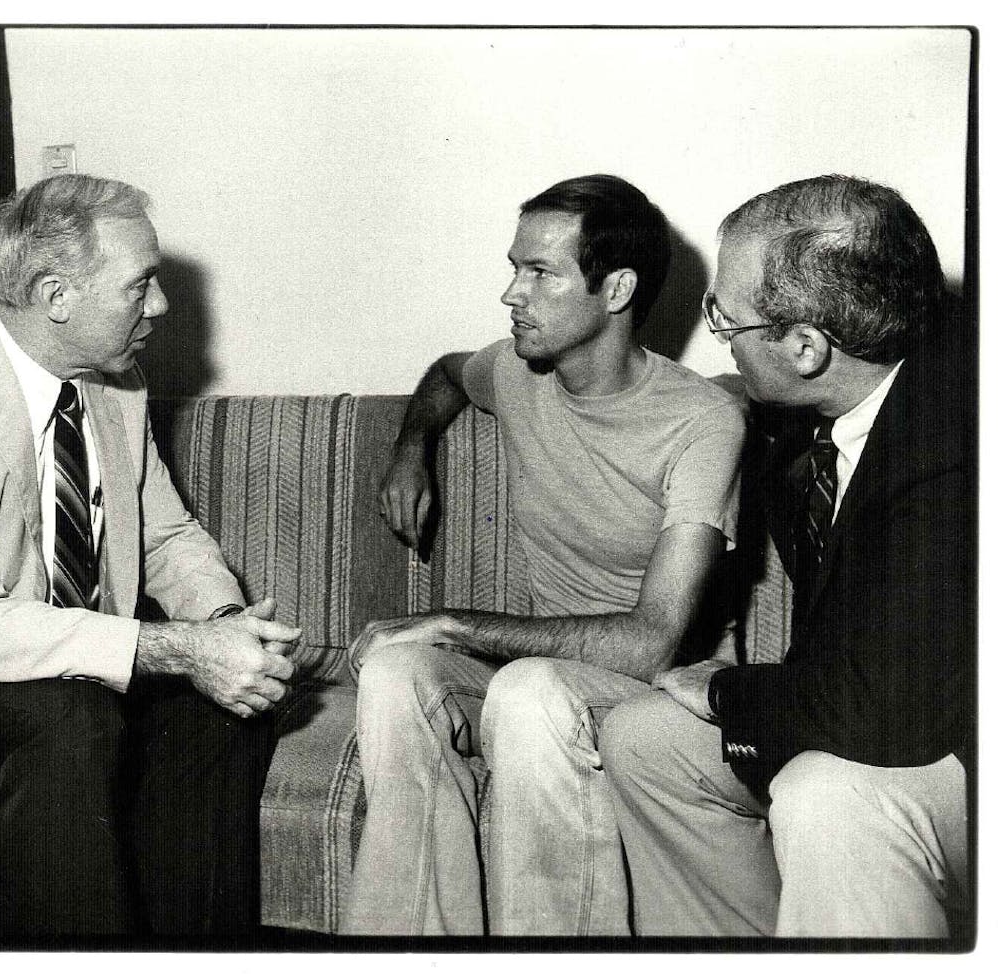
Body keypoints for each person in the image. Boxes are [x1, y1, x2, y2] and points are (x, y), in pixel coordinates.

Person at [0, 174, 301, 937]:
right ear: (56, 295)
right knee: (71, 718)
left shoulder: (115, 385)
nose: (162, 306)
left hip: (74, 671)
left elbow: (165, 536)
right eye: (140, 286)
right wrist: (173, 647)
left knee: (224, 708)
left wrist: (227, 626)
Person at [342, 174, 747, 935]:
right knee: (398, 672)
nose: (510, 294)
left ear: (616, 289)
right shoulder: (518, 371)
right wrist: (411, 447)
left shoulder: (702, 421)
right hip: (545, 675)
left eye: (540, 273)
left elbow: (651, 639)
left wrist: (455, 624)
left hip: (665, 692)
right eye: (514, 267)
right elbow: (444, 374)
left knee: (527, 692)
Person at [601, 175, 973, 938]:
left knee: (825, 795)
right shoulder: (823, 413)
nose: (719, 337)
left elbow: (885, 715)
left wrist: (729, 692)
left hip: (962, 750)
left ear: (806, 347)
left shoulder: (957, 445)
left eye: (724, 319)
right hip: (883, 711)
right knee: (643, 740)